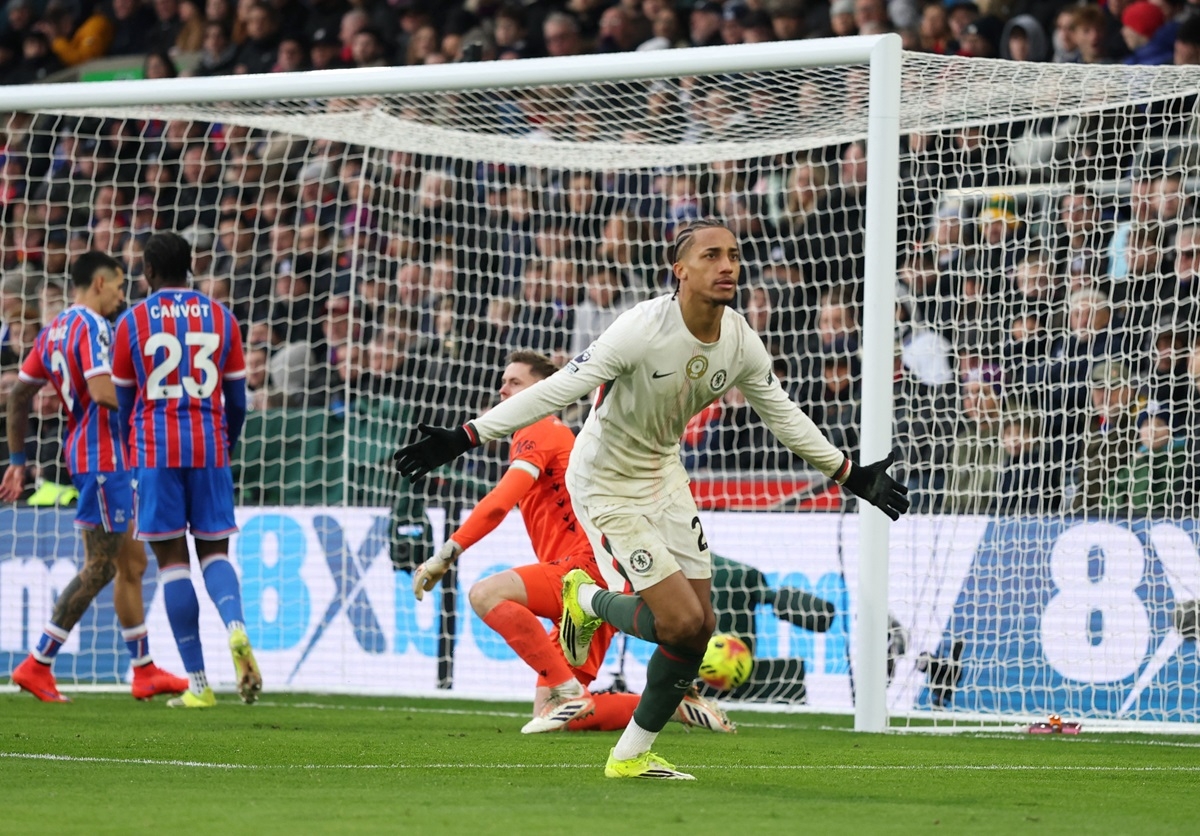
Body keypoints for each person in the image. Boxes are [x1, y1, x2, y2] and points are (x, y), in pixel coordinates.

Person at [394, 219, 909, 779]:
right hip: (604, 479)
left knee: (701, 628)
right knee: (678, 622)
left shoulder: (739, 339)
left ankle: (629, 756)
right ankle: (585, 599)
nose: (728, 266)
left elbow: (782, 413)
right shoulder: (640, 328)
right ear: (679, 270)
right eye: (711, 256)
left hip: (663, 474)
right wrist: (468, 435)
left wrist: (849, 474)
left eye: (734, 255)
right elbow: (560, 386)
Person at [411, 350, 732, 735]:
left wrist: (446, 554)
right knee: (553, 713)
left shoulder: (540, 427)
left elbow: (499, 502)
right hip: (599, 574)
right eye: (503, 382)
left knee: (486, 594)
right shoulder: (552, 435)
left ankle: (569, 690)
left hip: (582, 573)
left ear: (543, 390)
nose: (503, 390)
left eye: (515, 382)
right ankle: (673, 702)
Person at [1, 251, 188, 703]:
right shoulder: (93, 327)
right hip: (104, 458)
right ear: (101, 283)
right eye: (120, 285)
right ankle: (38, 663)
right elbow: (105, 393)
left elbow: (20, 394)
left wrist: (18, 458)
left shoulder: (54, 330)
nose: (123, 296)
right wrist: (157, 408)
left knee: (132, 563)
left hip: (92, 455)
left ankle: (144, 670)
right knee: (101, 565)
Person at [111, 231, 260, 708]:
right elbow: (238, 401)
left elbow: (123, 403)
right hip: (210, 446)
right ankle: (235, 628)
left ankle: (198, 685)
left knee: (173, 565)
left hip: (156, 451)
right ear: (191, 266)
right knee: (215, 556)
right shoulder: (222, 317)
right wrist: (223, 444)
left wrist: (132, 451)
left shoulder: (132, 321)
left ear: (149, 271)